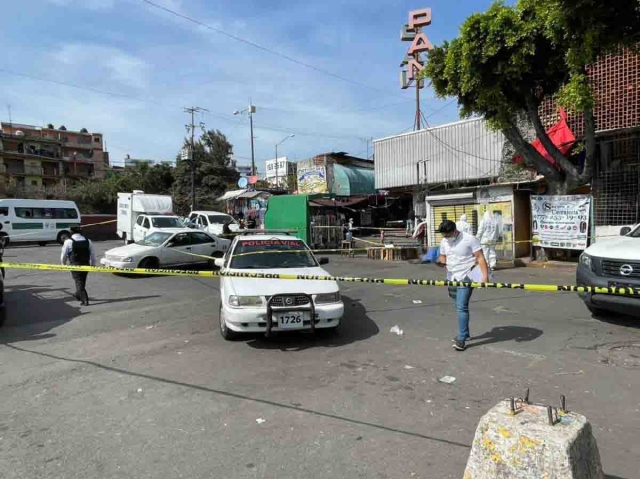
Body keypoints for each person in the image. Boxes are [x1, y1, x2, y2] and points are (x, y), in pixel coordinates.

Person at [436, 220, 489, 352]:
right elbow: (443, 256)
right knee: (457, 304)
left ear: (454, 231)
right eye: (444, 235)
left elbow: (480, 257)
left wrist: (485, 277)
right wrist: (440, 262)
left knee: (461, 307)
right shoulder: (444, 242)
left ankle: (461, 339)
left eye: (448, 235)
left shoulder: (469, 239)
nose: (446, 238)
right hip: (452, 276)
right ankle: (465, 333)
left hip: (467, 274)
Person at [60, 226, 96, 306]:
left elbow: (64, 255)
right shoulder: (88, 241)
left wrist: (63, 264)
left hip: (75, 265)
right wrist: (93, 264)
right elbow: (92, 254)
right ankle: (77, 294)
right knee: (82, 281)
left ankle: (85, 300)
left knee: (79, 282)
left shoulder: (68, 242)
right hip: (86, 264)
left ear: (71, 232)